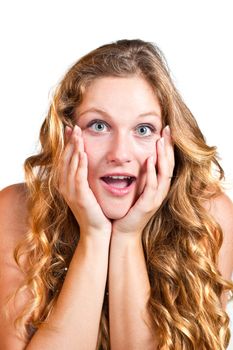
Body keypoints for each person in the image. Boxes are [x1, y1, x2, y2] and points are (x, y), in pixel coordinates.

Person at [0, 39, 233, 350]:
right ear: (66, 135)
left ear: (169, 142)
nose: (120, 153)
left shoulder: (207, 216)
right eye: (99, 125)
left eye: (143, 130)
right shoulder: (16, 209)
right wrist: (94, 235)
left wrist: (126, 237)